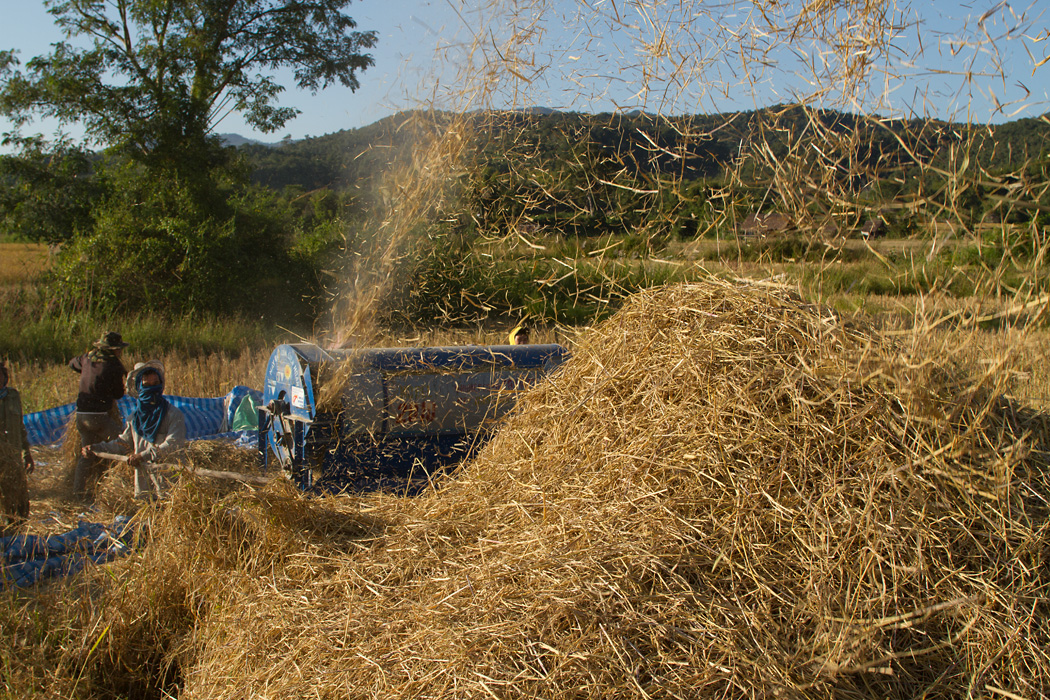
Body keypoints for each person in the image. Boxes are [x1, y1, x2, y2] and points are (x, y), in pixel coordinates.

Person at [82, 362, 186, 501]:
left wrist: (143, 456)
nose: (153, 389)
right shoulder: (134, 419)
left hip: (168, 484)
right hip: (144, 485)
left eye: (156, 384)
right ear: (139, 388)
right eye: (147, 386)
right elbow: (123, 444)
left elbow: (173, 444)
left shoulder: (173, 415)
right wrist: (97, 447)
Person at [69, 331, 129, 499]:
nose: (120, 352)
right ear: (112, 350)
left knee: (87, 453)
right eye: (118, 349)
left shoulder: (88, 358)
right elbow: (118, 394)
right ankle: (117, 489)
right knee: (124, 446)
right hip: (98, 417)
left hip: (80, 415)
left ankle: (78, 493)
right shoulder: (114, 365)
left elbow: (72, 364)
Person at [0, 359, 34, 531]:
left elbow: (20, 427)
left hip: (12, 456)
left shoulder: (13, 396)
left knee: (18, 498)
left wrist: (26, 453)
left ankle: (16, 528)